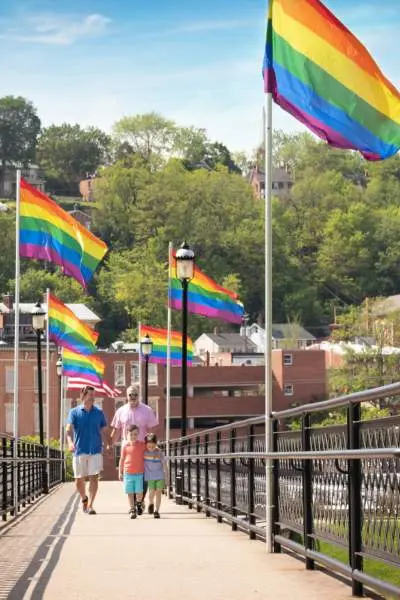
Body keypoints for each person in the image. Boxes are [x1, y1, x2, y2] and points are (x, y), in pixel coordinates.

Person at [66, 386, 108, 515]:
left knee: (94, 477)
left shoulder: (99, 412)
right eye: (89, 394)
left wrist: (108, 445)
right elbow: (68, 430)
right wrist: (70, 442)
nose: (92, 397)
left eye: (93, 395)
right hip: (79, 450)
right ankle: (84, 498)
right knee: (79, 479)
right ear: (82, 396)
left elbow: (105, 431)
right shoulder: (74, 412)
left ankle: (90, 505)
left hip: (95, 450)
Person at [118, 425, 145, 519]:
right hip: (128, 473)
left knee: (139, 492)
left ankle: (139, 503)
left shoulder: (142, 445)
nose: (133, 436)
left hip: (139, 473)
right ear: (127, 434)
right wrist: (120, 472)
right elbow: (122, 459)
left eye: (135, 434)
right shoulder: (125, 446)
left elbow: (150, 450)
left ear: (138, 435)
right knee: (130, 492)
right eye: (131, 434)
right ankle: (132, 509)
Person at [144, 433, 168, 519]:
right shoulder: (144, 452)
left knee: (158, 493)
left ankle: (157, 511)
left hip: (160, 476)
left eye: (153, 446)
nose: (151, 448)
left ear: (156, 444)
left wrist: (167, 477)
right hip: (150, 476)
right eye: (149, 446)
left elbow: (165, 465)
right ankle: (151, 503)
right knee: (151, 493)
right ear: (146, 445)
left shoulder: (159, 452)